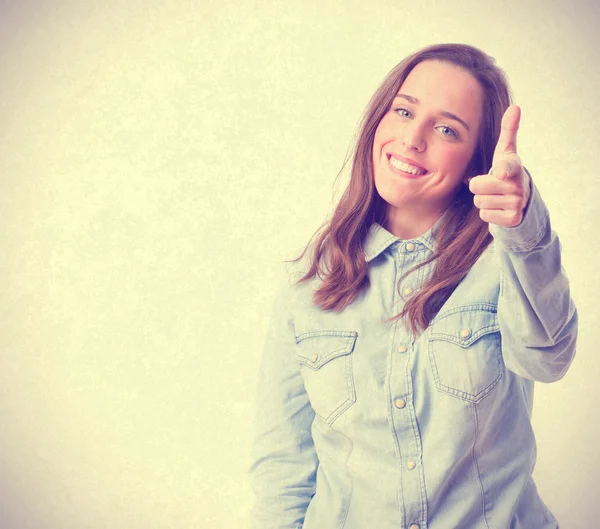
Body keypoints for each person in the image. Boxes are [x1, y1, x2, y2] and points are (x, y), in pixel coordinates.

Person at [249, 43, 577, 529]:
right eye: (404, 111)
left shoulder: (505, 263)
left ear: (476, 159)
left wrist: (524, 226)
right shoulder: (308, 285)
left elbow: (548, 357)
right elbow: (284, 465)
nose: (413, 138)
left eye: (447, 129)